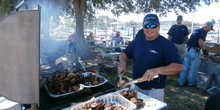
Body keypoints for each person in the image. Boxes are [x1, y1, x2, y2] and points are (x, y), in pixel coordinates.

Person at [117, 13, 184, 101]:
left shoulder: (166, 44)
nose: (149, 29)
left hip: (154, 91)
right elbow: (124, 54)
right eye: (146, 25)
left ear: (158, 27)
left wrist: (157, 70)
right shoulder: (138, 41)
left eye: (153, 25)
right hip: (135, 86)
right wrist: (123, 63)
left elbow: (179, 67)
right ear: (143, 27)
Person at [178, 21, 214, 87]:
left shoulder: (197, 30)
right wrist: (204, 50)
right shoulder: (203, 31)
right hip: (194, 51)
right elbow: (200, 41)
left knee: (185, 67)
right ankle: (191, 83)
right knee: (194, 68)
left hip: (188, 50)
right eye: (210, 28)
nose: (210, 30)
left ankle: (181, 82)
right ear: (207, 26)